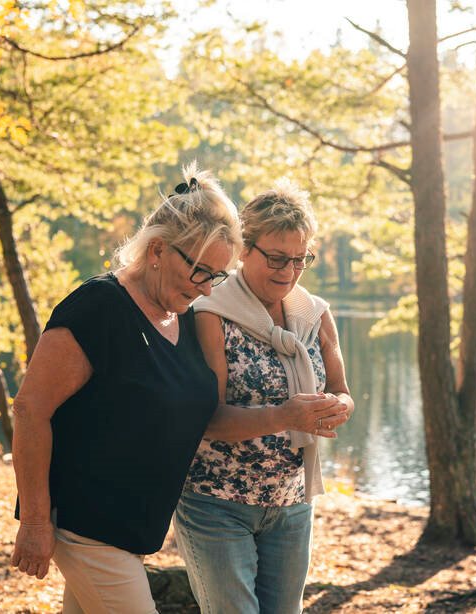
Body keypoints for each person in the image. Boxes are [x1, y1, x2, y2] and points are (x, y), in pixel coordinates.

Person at [9, 164, 343, 613]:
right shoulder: (99, 307)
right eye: (199, 271)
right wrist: (34, 520)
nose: (206, 286)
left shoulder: (181, 316)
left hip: (132, 529)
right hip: (84, 522)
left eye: (216, 276)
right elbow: (30, 409)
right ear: (158, 250)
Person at [176, 179, 355, 614]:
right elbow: (208, 419)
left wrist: (337, 409)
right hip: (215, 504)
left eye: (299, 260)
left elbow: (343, 393)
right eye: (275, 258)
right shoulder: (211, 312)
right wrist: (287, 416)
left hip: (291, 504)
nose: (288, 272)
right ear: (244, 248)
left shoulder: (314, 314)